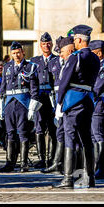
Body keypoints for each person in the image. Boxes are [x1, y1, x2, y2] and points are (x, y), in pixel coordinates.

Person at [53, 25, 100, 189]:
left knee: (70, 138)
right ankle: (90, 178)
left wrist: (59, 102)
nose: (73, 42)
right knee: (87, 139)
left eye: (74, 39)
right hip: (88, 100)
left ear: (79, 40)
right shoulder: (95, 58)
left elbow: (64, 81)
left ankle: (68, 178)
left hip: (73, 101)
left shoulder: (75, 57)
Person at [0, 42, 40, 173]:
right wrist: (0, 106)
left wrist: (32, 107)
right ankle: (10, 163)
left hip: (23, 102)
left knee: (23, 133)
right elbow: (3, 88)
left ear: (23, 53)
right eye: (14, 53)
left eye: (18, 53)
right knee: (9, 132)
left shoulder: (30, 67)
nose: (16, 55)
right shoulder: (7, 67)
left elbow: (34, 89)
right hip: (10, 103)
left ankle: (23, 164)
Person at [41, 36, 74, 174]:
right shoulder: (54, 62)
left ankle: (67, 165)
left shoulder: (71, 61)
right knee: (59, 132)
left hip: (68, 98)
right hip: (56, 99)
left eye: (61, 51)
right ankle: (57, 162)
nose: (60, 54)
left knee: (68, 133)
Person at [30, 32, 58, 169]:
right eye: (43, 44)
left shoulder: (57, 60)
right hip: (39, 97)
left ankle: (52, 158)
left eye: (48, 43)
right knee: (39, 127)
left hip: (52, 96)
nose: (46, 46)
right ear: (40, 46)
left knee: (53, 128)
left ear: (51, 44)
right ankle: (41, 158)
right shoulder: (34, 61)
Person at [89, 40, 104, 180]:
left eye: (93, 53)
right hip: (94, 104)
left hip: (98, 104)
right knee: (93, 136)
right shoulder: (96, 67)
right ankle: (96, 166)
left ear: (98, 53)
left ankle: (102, 168)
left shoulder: (103, 68)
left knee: (98, 135)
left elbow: (96, 88)